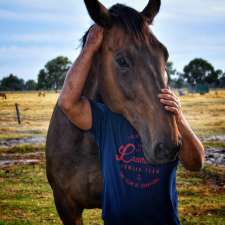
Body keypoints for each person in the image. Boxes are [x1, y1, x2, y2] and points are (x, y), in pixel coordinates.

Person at [58, 25, 205, 225]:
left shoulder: (167, 122)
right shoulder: (108, 119)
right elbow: (67, 102)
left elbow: (196, 163)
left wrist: (177, 116)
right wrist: (89, 49)